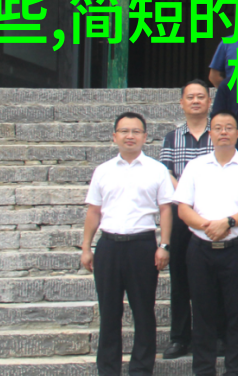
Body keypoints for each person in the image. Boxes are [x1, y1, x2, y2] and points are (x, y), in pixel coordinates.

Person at [173, 110, 238, 376]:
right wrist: (208, 226)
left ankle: (235, 370)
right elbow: (183, 208)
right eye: (217, 128)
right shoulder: (195, 166)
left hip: (236, 249)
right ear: (210, 134)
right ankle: (203, 369)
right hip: (200, 249)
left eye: (229, 127)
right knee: (202, 313)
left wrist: (227, 223)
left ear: (237, 133)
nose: (223, 132)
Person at [82, 112, 174, 376]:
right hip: (109, 246)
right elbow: (94, 211)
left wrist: (164, 245)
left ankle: (141, 369)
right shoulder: (103, 171)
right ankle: (108, 369)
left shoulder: (157, 170)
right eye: (124, 131)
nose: (130, 136)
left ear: (145, 137)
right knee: (109, 312)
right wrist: (86, 247)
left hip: (142, 246)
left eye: (136, 131)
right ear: (114, 136)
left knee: (144, 311)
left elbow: (166, 209)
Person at [160, 80, 214, 360]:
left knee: (211, 277)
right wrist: (186, 197)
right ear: (181, 102)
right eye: (190, 97)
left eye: (201, 97)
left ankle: (213, 335)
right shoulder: (172, 137)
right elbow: (166, 173)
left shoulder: (218, 133)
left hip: (212, 213)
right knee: (180, 276)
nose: (195, 101)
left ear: (209, 102)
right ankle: (180, 338)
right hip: (182, 213)